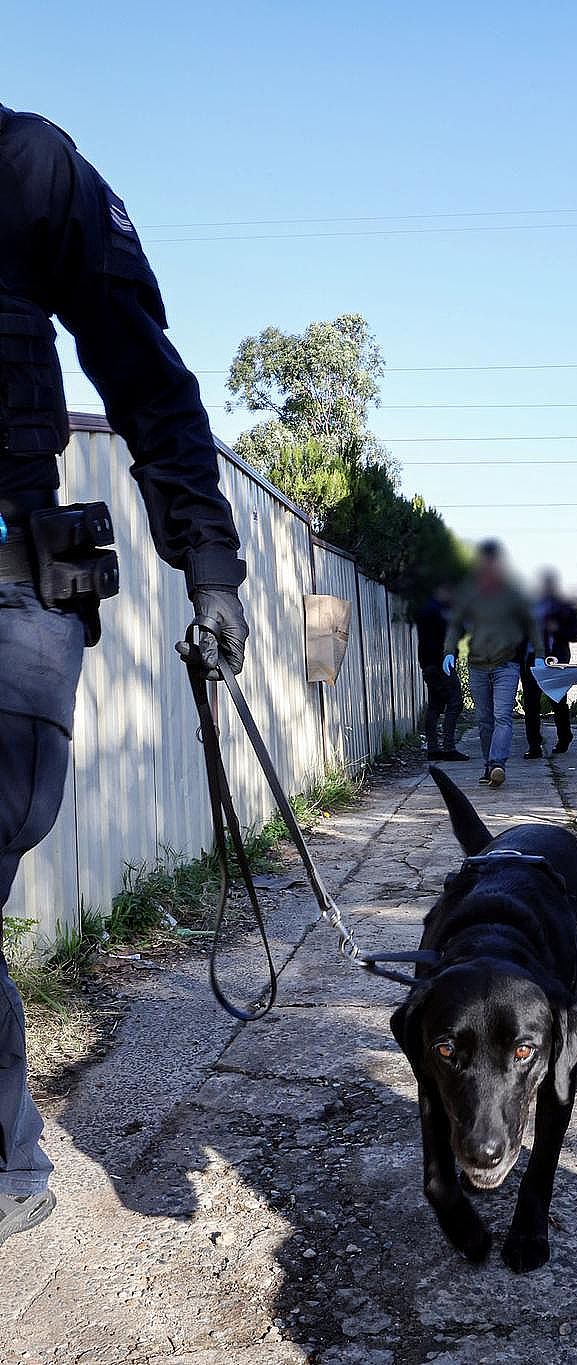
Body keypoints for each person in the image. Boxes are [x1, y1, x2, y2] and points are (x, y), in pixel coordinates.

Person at [0, 104, 248, 1247]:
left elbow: (147, 378)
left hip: (13, 582)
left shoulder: (28, 164)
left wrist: (208, 567)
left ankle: (5, 1165)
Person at [443, 540, 538, 788]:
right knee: (484, 720)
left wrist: (539, 652)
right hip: (477, 666)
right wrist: (448, 651)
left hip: (507, 664)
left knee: (502, 716)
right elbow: (455, 623)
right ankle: (489, 766)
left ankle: (498, 764)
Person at [521, 570, 577, 758]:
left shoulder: (564, 608)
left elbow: (576, 634)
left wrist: (558, 629)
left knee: (558, 700)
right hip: (531, 660)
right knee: (531, 703)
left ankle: (564, 737)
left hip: (555, 661)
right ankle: (534, 745)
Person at [415, 586, 467, 761]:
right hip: (440, 664)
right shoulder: (438, 611)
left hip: (429, 664)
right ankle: (448, 747)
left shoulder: (428, 609)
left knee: (435, 707)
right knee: (455, 703)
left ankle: (433, 748)